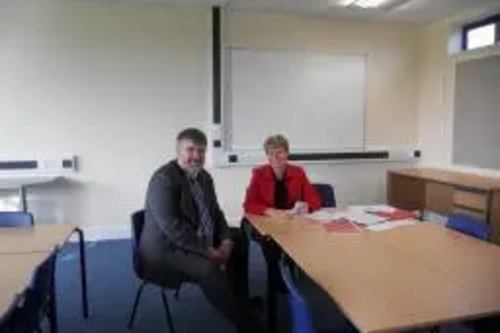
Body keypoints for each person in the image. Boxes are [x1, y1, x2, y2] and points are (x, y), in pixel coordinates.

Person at [140, 128, 262, 333]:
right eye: (190, 150)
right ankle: (244, 323)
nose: (196, 156)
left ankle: (241, 302)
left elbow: (215, 212)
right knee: (209, 267)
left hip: (196, 234)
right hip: (165, 250)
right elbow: (173, 227)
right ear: (178, 151)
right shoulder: (163, 179)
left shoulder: (204, 177)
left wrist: (225, 240)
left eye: (201, 151)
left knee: (239, 238)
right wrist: (207, 250)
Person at [243, 134, 321, 329]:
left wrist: (305, 207)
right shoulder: (259, 173)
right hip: (264, 221)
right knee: (270, 242)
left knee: (301, 236)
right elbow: (249, 204)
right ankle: (275, 277)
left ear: (287, 153)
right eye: (270, 155)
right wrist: (270, 211)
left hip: (290, 221)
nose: (275, 159)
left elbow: (315, 201)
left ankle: (292, 273)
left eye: (279, 153)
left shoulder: (298, 172)